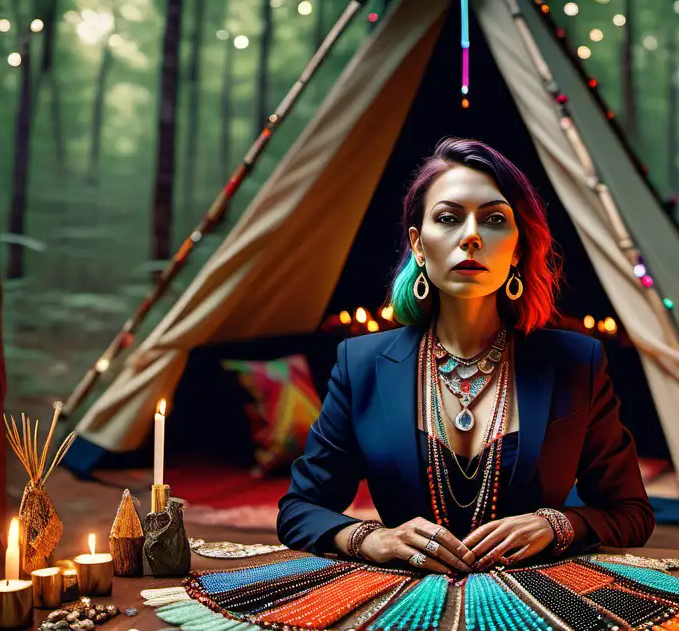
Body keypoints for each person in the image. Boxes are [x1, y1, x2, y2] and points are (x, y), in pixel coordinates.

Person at [277, 138, 653, 574]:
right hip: (402, 602)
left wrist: (557, 525)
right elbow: (299, 510)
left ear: (517, 248)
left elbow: (632, 513)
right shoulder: (360, 364)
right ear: (418, 245)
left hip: (534, 603)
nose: (471, 236)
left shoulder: (577, 362)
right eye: (448, 218)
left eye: (494, 219)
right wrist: (372, 538)